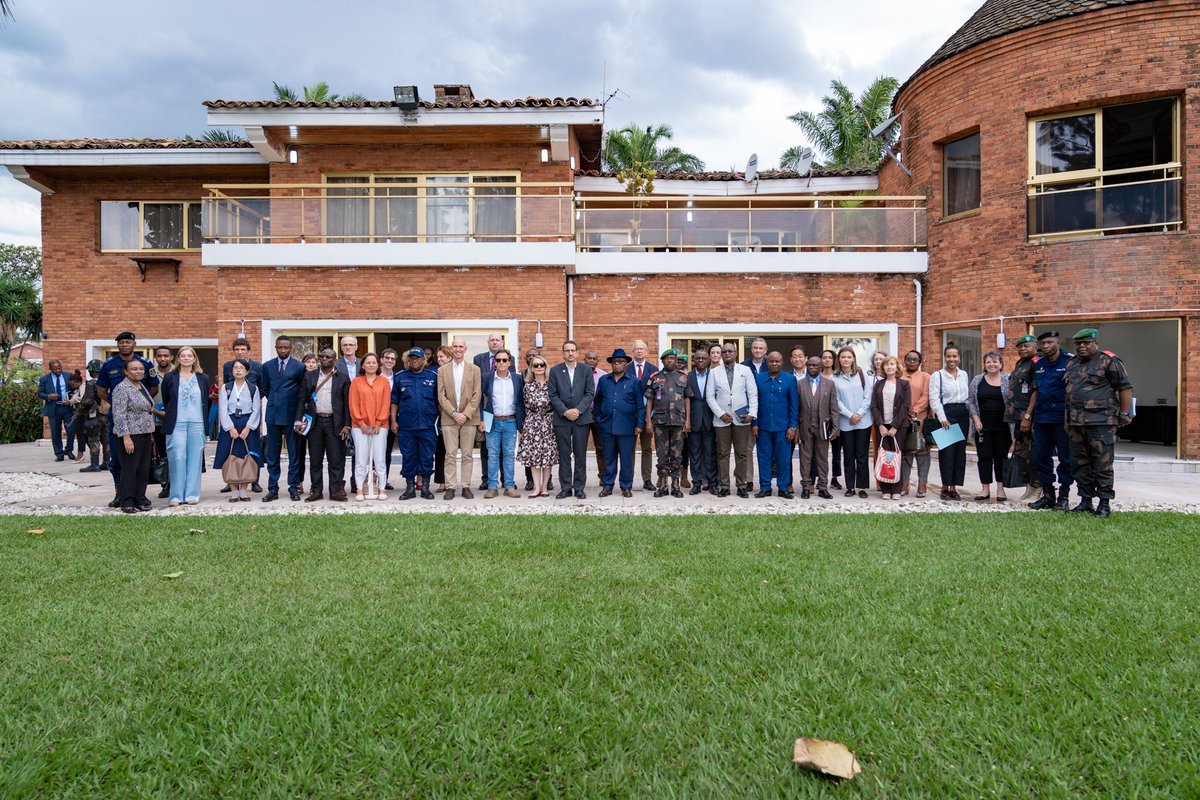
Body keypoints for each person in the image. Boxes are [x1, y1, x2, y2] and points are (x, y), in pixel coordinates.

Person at [1063, 328, 1134, 517]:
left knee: (1102, 463)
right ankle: (1085, 501)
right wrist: (1067, 421)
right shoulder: (1071, 363)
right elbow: (1068, 395)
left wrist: (1124, 413)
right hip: (1076, 424)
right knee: (1080, 464)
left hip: (1101, 422)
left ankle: (1104, 504)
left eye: (1086, 342)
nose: (1082, 346)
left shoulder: (1109, 361)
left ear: (1096, 343)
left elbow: (1125, 387)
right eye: (1078, 343)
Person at [95, 332, 159, 508]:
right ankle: (123, 496)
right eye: (121, 342)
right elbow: (102, 390)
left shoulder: (145, 365)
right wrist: (119, 405)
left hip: (144, 430)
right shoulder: (110, 367)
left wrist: (139, 403)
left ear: (134, 343)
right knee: (120, 462)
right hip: (124, 428)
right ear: (125, 371)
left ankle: (139, 497)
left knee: (142, 466)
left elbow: (153, 388)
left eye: (128, 342)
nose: (125, 344)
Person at [294, 348, 351, 502]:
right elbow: (301, 399)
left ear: (335, 359)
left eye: (328, 357)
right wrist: (298, 420)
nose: (324, 359)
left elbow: (347, 404)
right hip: (315, 422)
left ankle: (335, 490)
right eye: (322, 356)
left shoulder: (343, 377)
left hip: (335, 423)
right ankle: (316, 490)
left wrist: (347, 425)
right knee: (315, 459)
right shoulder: (310, 376)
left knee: (336, 459)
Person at [1026, 331, 1074, 510]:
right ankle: (1048, 495)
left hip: (1062, 419)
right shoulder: (1039, 364)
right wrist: (1028, 416)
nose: (1045, 346)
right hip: (1042, 418)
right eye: (1043, 343)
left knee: (1065, 458)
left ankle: (1064, 496)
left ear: (1058, 342)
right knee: (1040, 457)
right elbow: (1036, 390)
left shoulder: (1069, 361)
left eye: (1049, 342)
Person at [158, 346, 210, 506]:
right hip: (177, 423)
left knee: (194, 459)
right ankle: (176, 496)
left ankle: (192, 495)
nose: (186, 358)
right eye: (183, 356)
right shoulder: (169, 377)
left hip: (197, 423)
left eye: (189, 356)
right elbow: (167, 401)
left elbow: (206, 401)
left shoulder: (203, 378)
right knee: (177, 457)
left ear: (195, 359)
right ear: (178, 359)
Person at [259, 335, 307, 502]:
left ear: (291, 347)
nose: (283, 350)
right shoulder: (267, 366)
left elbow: (302, 391)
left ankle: (293, 487)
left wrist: (297, 414)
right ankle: (273, 489)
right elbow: (264, 387)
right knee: (272, 455)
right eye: (280, 347)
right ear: (275, 347)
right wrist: (274, 399)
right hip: (272, 415)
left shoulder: (299, 366)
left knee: (294, 454)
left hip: (292, 415)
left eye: (286, 347)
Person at [707, 342, 758, 497]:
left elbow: (753, 394)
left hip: (742, 419)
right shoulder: (715, 372)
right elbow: (709, 396)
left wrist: (752, 413)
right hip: (721, 420)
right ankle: (725, 486)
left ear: (735, 353)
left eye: (730, 351)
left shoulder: (746, 370)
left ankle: (741, 486)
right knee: (723, 454)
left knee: (742, 454)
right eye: (724, 351)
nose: (727, 353)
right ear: (721, 354)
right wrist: (720, 413)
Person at [110, 358, 161, 513]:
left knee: (143, 469)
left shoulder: (141, 386)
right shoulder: (122, 388)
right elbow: (119, 414)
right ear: (125, 371)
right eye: (134, 369)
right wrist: (126, 437)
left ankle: (140, 498)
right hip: (130, 435)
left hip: (145, 433)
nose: (138, 371)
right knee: (130, 468)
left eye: (140, 369)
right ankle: (127, 500)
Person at [548, 339, 595, 499]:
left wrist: (578, 410)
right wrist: (565, 411)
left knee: (580, 454)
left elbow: (590, 393)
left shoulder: (586, 370)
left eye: (572, 350)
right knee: (564, 455)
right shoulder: (555, 371)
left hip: (581, 419)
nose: (570, 353)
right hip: (562, 419)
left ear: (577, 352)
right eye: (567, 350)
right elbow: (552, 395)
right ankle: (566, 488)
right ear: (563, 353)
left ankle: (580, 488)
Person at [391, 347, 440, 500]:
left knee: (427, 457)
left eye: (418, 358)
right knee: (409, 457)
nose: (415, 361)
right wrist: (393, 421)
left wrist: (442, 422)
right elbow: (394, 402)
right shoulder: (400, 377)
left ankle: (425, 488)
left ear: (424, 360)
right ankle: (410, 488)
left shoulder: (434, 377)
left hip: (428, 426)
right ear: (407, 360)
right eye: (412, 358)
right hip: (407, 426)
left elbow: (439, 401)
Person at [437, 336, 482, 500]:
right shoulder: (442, 370)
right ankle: (450, 487)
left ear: (465, 349)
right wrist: (455, 413)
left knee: (467, 454)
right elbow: (441, 396)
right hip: (449, 418)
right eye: (455, 346)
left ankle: (465, 486)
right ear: (452, 348)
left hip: (469, 418)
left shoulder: (474, 369)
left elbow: (477, 395)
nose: (457, 349)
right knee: (450, 454)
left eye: (460, 347)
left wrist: (465, 414)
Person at [594, 349, 644, 497]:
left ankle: (626, 486)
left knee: (627, 459)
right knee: (608, 458)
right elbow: (597, 402)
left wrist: (639, 425)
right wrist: (598, 419)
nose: (617, 364)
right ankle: (608, 486)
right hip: (607, 426)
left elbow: (640, 405)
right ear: (611, 364)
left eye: (621, 362)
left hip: (627, 427)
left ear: (626, 364)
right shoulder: (604, 380)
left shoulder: (634, 381)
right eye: (615, 362)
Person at [644, 349, 691, 498]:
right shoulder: (655, 377)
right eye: (667, 358)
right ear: (662, 361)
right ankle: (663, 485)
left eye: (673, 358)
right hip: (660, 422)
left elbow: (687, 399)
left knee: (677, 455)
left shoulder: (683, 377)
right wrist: (648, 421)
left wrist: (688, 420)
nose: (670, 360)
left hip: (678, 422)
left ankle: (676, 486)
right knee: (662, 455)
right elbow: (649, 400)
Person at [214, 358, 262, 503]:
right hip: (231, 423)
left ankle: (244, 490)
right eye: (236, 368)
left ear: (247, 371)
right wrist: (230, 428)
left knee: (247, 455)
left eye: (241, 368)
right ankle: (234, 490)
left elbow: (256, 409)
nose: (238, 370)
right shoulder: (226, 387)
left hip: (248, 424)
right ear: (232, 370)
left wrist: (249, 427)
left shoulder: (253, 388)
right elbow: (222, 408)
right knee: (230, 455)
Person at [479, 348, 524, 498]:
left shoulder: (518, 379)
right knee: (492, 455)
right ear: (494, 363)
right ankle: (492, 486)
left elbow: (522, 402)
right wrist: (481, 419)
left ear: (510, 362)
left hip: (511, 421)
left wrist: (522, 424)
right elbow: (480, 400)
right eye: (498, 360)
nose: (501, 363)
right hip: (492, 421)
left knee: (509, 455)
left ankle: (509, 486)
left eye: (504, 360)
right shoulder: (487, 378)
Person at [752, 351, 798, 498]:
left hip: (783, 428)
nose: (774, 364)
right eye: (771, 361)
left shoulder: (790, 379)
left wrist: (792, 427)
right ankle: (765, 487)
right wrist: (754, 423)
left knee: (783, 459)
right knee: (763, 458)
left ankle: (783, 488)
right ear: (767, 362)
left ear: (782, 362)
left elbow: (794, 405)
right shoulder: (759, 378)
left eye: (777, 361)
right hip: (763, 427)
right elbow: (754, 402)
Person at [968, 351, 1012, 502]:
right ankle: (985, 488)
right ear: (984, 365)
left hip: (1004, 426)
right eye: (988, 362)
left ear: (1001, 364)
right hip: (983, 427)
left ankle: (1001, 489)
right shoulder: (978, 380)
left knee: (1001, 458)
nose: (992, 364)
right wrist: (976, 419)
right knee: (984, 457)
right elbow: (970, 401)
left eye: (995, 362)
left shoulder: (1008, 379)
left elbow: (1014, 401)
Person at [929, 345, 971, 501]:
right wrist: (942, 417)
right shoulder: (938, 375)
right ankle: (945, 487)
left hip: (962, 414)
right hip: (947, 414)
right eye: (948, 356)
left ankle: (954, 487)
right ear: (944, 357)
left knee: (960, 453)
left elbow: (966, 397)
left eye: (955, 356)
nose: (952, 359)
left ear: (959, 357)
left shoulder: (964, 374)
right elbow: (934, 398)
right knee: (947, 452)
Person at [348, 353, 391, 501]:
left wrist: (379, 423)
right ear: (363, 365)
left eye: (374, 362)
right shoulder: (356, 382)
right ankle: (360, 489)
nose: (371, 365)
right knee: (361, 458)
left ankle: (381, 488)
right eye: (368, 362)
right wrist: (361, 423)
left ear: (378, 365)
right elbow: (353, 404)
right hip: (360, 427)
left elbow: (386, 404)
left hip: (381, 426)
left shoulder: (384, 382)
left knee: (380, 459)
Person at [833, 347, 873, 499]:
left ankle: (862, 486)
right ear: (839, 359)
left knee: (862, 455)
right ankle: (850, 486)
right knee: (848, 455)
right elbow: (835, 401)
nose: (846, 359)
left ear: (853, 358)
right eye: (843, 357)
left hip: (863, 421)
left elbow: (868, 397)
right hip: (846, 422)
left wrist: (859, 414)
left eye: (849, 357)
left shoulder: (862, 375)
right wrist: (850, 415)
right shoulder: (834, 378)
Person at [1006, 335, 1042, 503]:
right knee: (1022, 453)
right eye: (1020, 346)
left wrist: (1028, 415)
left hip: (1030, 418)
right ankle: (1029, 486)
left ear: (1035, 347)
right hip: (1018, 417)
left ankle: (1038, 487)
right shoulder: (1020, 364)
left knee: (1034, 453)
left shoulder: (1037, 364)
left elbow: (1036, 391)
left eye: (1026, 346)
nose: (1023, 349)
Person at [517, 354, 558, 497]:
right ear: (532, 368)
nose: (539, 367)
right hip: (532, 423)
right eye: (536, 365)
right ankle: (536, 487)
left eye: (542, 365)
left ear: (546, 367)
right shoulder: (527, 386)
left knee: (547, 457)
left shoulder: (552, 385)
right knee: (534, 458)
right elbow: (524, 405)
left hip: (549, 423)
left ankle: (545, 487)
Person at [871, 355, 911, 499]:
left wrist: (895, 426)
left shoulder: (904, 385)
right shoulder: (878, 384)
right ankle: (885, 489)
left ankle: (896, 489)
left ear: (897, 367)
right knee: (883, 456)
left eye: (892, 364)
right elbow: (874, 406)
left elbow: (905, 407)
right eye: (886, 365)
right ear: (883, 368)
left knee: (896, 456)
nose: (889, 367)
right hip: (881, 426)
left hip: (899, 427)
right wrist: (880, 424)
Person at [797, 355, 836, 499]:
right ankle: (806, 487)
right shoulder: (800, 384)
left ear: (821, 367)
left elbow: (834, 408)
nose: (812, 368)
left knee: (822, 458)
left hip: (824, 427)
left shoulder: (829, 384)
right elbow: (796, 408)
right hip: (804, 426)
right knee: (805, 458)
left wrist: (835, 428)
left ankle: (823, 487)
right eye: (809, 365)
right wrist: (795, 428)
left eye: (815, 365)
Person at [473, 332, 506, 491]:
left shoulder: (507, 357)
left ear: (502, 342)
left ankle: (505, 479)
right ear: (488, 342)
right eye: (492, 340)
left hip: (503, 408)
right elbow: (477, 385)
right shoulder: (479, 359)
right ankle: (486, 479)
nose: (494, 343)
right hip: (486, 409)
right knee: (486, 448)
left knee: (502, 448)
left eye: (497, 340)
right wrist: (479, 415)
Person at [685, 349, 717, 495]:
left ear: (708, 360)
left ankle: (712, 483)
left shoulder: (715, 375)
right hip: (694, 421)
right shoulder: (687, 377)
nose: (700, 361)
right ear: (694, 360)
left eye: (704, 358)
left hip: (711, 420)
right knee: (695, 454)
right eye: (697, 358)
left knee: (710, 454)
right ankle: (696, 483)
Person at [630, 339, 658, 491]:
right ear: (632, 352)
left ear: (647, 352)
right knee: (630, 449)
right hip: (630, 417)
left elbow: (656, 394)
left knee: (647, 448)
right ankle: (629, 479)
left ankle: (647, 479)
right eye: (636, 349)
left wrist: (650, 417)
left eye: (642, 349)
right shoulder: (626, 369)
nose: (639, 351)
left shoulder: (654, 370)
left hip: (649, 416)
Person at [37, 359, 73, 462]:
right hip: (54, 408)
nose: (58, 371)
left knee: (70, 430)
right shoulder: (44, 379)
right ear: (50, 369)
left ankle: (69, 450)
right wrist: (48, 396)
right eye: (55, 369)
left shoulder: (68, 376)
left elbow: (75, 389)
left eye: (59, 368)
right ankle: (59, 454)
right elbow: (40, 393)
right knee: (55, 432)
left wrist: (71, 400)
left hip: (67, 407)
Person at [70, 368, 105, 472]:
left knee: (93, 440)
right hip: (107, 414)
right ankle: (107, 463)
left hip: (94, 415)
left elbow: (88, 400)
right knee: (106, 440)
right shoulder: (108, 381)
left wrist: (79, 410)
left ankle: (95, 465)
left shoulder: (91, 383)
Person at [820, 349, 843, 490]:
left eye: (830, 357)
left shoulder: (838, 377)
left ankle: (835, 477)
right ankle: (819, 477)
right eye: (824, 357)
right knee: (819, 451)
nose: (827, 360)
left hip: (836, 417)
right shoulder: (817, 376)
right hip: (821, 418)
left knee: (836, 450)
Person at [584, 349, 608, 481]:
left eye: (594, 358)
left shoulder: (603, 376)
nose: (591, 360)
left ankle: (603, 477)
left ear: (597, 361)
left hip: (598, 415)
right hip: (582, 414)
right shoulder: (578, 374)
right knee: (580, 448)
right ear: (584, 359)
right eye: (589, 358)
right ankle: (580, 478)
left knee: (601, 447)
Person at [432, 345, 453, 491]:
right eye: (438, 357)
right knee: (441, 451)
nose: (439, 359)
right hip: (442, 417)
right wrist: (445, 413)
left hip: (460, 416)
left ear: (450, 357)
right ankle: (442, 481)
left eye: (442, 356)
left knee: (456, 453)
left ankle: (458, 482)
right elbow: (438, 398)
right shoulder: (435, 374)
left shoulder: (457, 373)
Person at [379, 348, 400, 490]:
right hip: (375, 420)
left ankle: (383, 480)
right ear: (381, 359)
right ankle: (371, 480)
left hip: (391, 419)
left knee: (387, 451)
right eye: (387, 358)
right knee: (374, 451)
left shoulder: (398, 377)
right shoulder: (374, 376)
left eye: (392, 359)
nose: (389, 361)